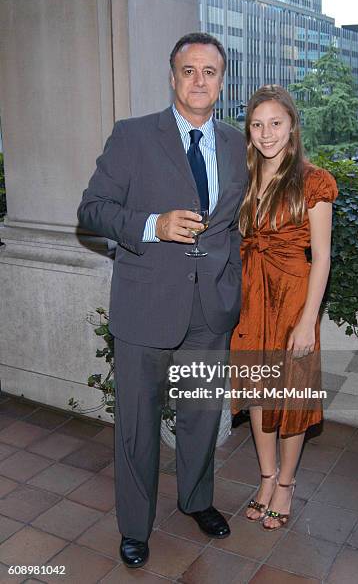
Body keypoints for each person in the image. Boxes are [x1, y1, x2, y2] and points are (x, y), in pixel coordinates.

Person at [77, 32, 247, 568]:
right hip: (146, 306)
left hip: (210, 309)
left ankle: (197, 499)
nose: (200, 80)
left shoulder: (236, 142)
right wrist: (153, 225)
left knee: (201, 415)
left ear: (222, 81)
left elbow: (240, 218)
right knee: (137, 422)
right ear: (172, 77)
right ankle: (134, 526)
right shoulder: (132, 137)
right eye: (189, 70)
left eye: (210, 71)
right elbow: (92, 211)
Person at [230, 85, 338, 531]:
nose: (266, 132)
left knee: (292, 397)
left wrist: (308, 320)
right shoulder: (245, 177)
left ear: (292, 126)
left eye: (276, 123)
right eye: (257, 124)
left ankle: (287, 484)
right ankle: (266, 477)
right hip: (253, 297)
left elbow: (323, 257)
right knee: (259, 393)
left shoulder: (313, 180)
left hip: (295, 300)